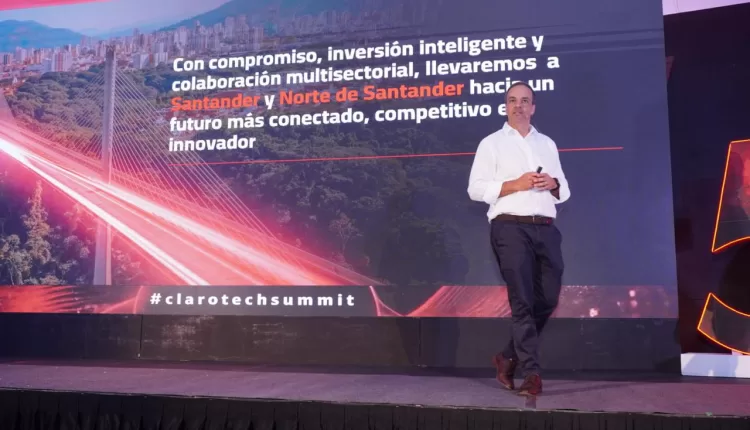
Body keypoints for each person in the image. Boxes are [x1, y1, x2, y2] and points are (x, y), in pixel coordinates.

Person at [467, 82, 570, 396]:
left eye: (525, 101)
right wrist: (517, 184)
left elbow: (564, 190)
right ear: (505, 106)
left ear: (533, 107)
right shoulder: (491, 143)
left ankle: (507, 356)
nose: (518, 106)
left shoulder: (547, 144)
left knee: (547, 299)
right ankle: (532, 374)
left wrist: (552, 183)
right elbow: (475, 189)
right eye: (512, 100)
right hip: (510, 228)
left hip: (546, 228)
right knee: (522, 301)